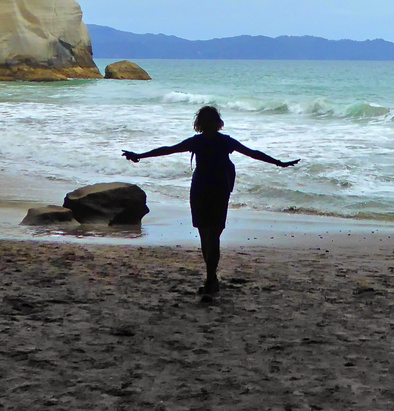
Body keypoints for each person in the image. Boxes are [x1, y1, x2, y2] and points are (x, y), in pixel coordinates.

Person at [124, 105, 298, 297]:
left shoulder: (197, 142)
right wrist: (278, 163)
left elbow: (167, 150)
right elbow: (253, 153)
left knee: (205, 235)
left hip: (200, 190)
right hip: (219, 190)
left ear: (199, 123)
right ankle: (211, 278)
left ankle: (211, 278)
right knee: (213, 235)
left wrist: (139, 155)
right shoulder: (225, 142)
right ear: (218, 123)